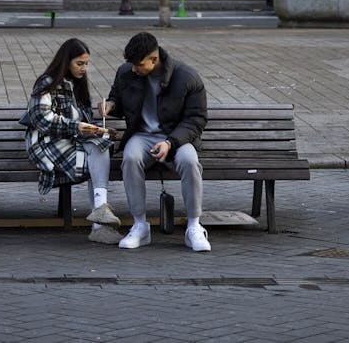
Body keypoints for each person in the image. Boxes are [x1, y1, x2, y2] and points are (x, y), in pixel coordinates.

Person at [102, 31, 210, 252]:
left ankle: (194, 226)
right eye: (131, 64)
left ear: (154, 59)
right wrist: (111, 105)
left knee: (190, 162)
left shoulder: (187, 77)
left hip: (176, 136)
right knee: (130, 159)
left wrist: (170, 143)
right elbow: (118, 97)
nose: (134, 69)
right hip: (141, 135)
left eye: (139, 64)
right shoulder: (126, 72)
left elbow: (196, 120)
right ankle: (140, 225)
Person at [22, 37, 122, 244]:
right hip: (46, 142)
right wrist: (75, 127)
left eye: (86, 64)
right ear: (65, 61)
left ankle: (100, 216)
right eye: (79, 63)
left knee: (101, 145)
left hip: (72, 141)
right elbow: (40, 118)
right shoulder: (47, 82)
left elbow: (84, 123)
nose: (84, 68)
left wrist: (101, 131)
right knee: (98, 159)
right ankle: (99, 219)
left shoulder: (78, 85)